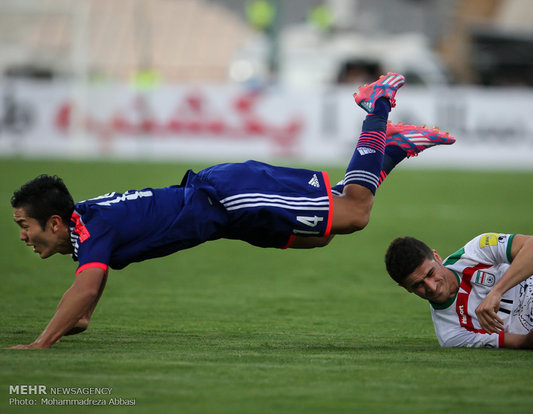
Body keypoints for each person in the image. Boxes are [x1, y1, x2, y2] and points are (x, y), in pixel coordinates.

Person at [9, 73, 455, 349]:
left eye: (24, 226)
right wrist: (69, 324)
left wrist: (40, 343)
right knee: (323, 232)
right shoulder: (86, 228)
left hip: (229, 197)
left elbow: (86, 291)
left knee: (354, 213)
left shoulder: (91, 230)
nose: (23, 236)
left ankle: (377, 107)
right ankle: (388, 151)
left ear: (54, 221)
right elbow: (85, 307)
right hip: (225, 216)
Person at [384, 233, 533, 349]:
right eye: (418, 285)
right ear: (405, 288)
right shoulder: (451, 334)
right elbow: (526, 344)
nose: (431, 287)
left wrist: (496, 291)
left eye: (430, 274)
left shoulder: (475, 251)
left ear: (436, 257)